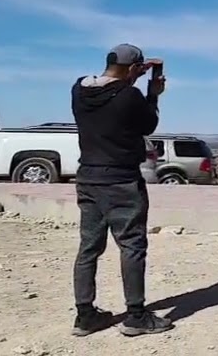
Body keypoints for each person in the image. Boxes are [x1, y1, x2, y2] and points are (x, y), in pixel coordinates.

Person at [70, 44, 173, 337]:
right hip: (121, 181)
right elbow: (149, 124)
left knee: (88, 248)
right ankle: (136, 316)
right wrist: (152, 93)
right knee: (131, 245)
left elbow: (110, 95)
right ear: (133, 69)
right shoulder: (131, 96)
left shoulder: (78, 90)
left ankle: (85, 315)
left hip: (88, 178)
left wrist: (131, 78)